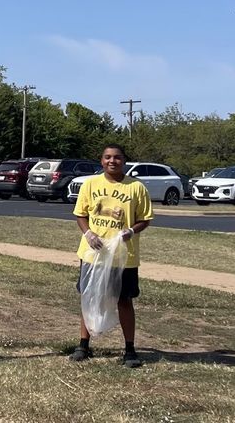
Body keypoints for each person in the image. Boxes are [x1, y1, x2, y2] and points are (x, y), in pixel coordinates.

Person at [69, 144, 153, 367]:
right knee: (89, 296)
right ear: (101, 160)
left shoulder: (136, 187)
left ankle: (130, 349)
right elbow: (80, 214)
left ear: (124, 161)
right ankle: (83, 346)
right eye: (107, 157)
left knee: (124, 300)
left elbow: (145, 218)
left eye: (117, 157)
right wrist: (88, 233)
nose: (112, 161)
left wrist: (131, 231)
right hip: (93, 254)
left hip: (123, 256)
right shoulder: (91, 184)